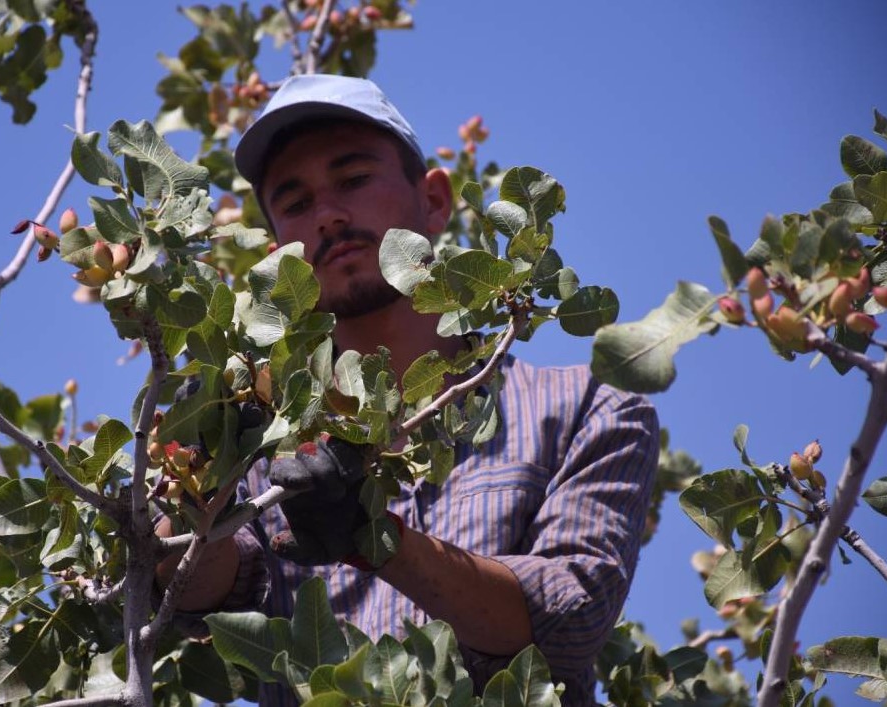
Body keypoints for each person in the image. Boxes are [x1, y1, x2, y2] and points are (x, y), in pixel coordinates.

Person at [157, 74, 660, 706]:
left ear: (435, 201)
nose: (330, 215)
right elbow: (207, 598)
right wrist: (172, 519)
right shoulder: (249, 430)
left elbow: (568, 619)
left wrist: (372, 538)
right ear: (276, 245)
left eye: (354, 179)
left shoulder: (588, 406)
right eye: (295, 201)